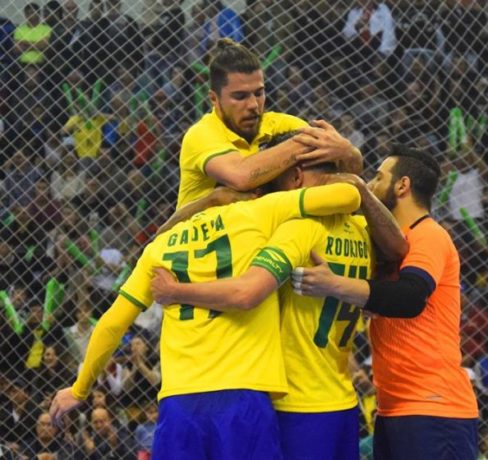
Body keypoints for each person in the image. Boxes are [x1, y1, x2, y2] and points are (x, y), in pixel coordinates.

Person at [49, 182, 363, 460]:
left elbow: (112, 324)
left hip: (180, 401)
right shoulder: (259, 211)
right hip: (243, 393)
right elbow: (347, 196)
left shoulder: (161, 245)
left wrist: (79, 389)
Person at [150, 134, 407, 460]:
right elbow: (398, 248)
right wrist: (357, 184)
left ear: (296, 176)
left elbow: (245, 291)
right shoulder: (361, 229)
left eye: (274, 180)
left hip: (296, 404)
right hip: (342, 399)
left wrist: (176, 289)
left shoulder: (294, 227)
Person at [292, 144, 479, 459]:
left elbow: (410, 298)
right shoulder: (386, 242)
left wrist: (333, 284)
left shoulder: (429, 235)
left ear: (402, 185)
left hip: (434, 406)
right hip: (394, 407)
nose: (371, 185)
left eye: (378, 177)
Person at [176, 38, 362, 208]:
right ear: (214, 99)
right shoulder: (201, 134)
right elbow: (241, 177)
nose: (253, 104)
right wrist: (304, 143)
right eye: (240, 96)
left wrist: (348, 152)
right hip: (200, 232)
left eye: (259, 93)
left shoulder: (282, 124)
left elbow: (349, 172)